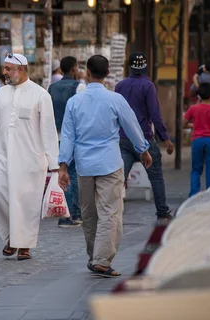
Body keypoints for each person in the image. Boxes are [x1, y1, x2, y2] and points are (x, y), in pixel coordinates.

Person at [59, 55, 152, 278]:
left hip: (84, 165)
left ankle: (95, 256)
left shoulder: (75, 102)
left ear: (87, 72)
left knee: (89, 214)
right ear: (107, 73)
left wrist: (63, 166)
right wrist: (143, 149)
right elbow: (132, 126)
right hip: (110, 162)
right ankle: (101, 259)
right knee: (111, 212)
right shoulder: (115, 99)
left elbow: (68, 136)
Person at [0, 53, 59, 261]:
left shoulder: (40, 95)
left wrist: (54, 163)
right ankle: (11, 238)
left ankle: (24, 245)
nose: (5, 72)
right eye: (5, 68)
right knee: (0, 198)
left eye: (9, 69)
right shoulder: (1, 94)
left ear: (22, 70)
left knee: (27, 203)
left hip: (31, 160)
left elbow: (48, 131)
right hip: (2, 157)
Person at [115, 52, 174, 220]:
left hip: (123, 139)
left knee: (119, 178)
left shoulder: (120, 86)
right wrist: (165, 139)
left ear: (129, 66)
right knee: (156, 177)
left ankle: (113, 210)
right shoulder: (148, 86)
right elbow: (155, 114)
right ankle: (162, 211)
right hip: (145, 139)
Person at [48, 56, 86, 228]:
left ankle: (65, 212)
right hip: (72, 138)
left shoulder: (51, 88)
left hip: (55, 137)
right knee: (72, 175)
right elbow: (82, 114)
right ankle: (71, 214)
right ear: (74, 68)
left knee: (61, 174)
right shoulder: (79, 87)